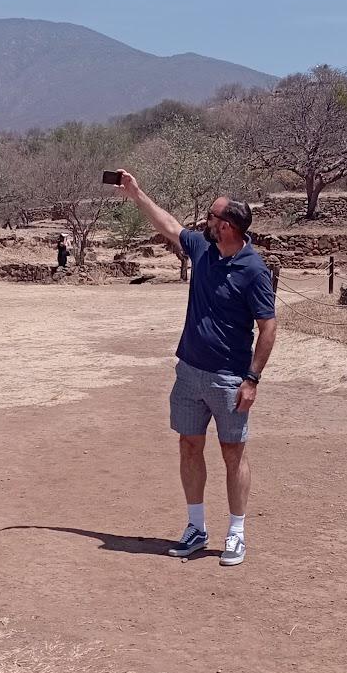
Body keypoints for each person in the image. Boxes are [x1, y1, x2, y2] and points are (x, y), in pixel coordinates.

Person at [115, 171, 276, 567]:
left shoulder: (253, 270)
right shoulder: (202, 249)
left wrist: (252, 379)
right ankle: (196, 527)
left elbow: (268, 327)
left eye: (211, 216)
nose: (204, 222)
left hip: (228, 378)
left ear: (227, 226)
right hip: (188, 373)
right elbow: (168, 224)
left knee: (232, 453)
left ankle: (236, 532)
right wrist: (137, 194)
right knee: (189, 446)